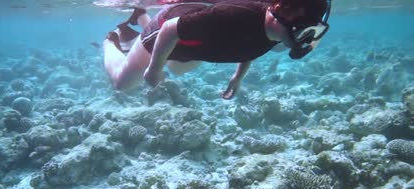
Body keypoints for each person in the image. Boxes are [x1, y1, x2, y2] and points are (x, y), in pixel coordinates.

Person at [103, 0, 331, 99]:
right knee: (123, 83)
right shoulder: (235, 16)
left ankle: (140, 16)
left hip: (193, 44)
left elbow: (250, 47)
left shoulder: (276, 34)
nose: (305, 33)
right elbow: (171, 30)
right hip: (167, 29)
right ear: (282, 8)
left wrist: (237, 78)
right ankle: (110, 40)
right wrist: (153, 70)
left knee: (178, 69)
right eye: (305, 23)